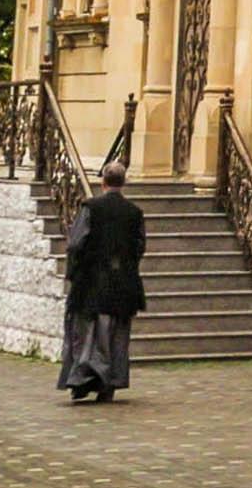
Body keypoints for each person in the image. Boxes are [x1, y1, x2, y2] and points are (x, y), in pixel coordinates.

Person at [57, 158, 146, 402]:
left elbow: (76, 243)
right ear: (123, 182)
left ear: (103, 182)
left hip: (91, 282)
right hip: (123, 284)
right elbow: (140, 246)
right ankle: (110, 381)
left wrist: (74, 271)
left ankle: (84, 379)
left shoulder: (91, 208)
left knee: (88, 334)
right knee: (116, 335)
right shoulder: (134, 213)